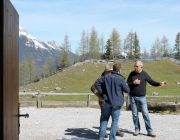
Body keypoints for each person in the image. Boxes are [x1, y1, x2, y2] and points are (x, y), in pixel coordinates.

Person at [127, 60, 167, 137]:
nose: (135, 67)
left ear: (141, 67)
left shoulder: (144, 74)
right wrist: (133, 83)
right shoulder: (132, 74)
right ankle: (137, 129)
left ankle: (149, 131)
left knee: (145, 114)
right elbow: (127, 84)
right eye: (134, 66)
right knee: (135, 114)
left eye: (137, 66)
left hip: (142, 97)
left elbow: (151, 81)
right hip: (132, 97)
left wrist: (159, 83)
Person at [95, 63, 130, 140]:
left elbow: (97, 84)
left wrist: (103, 94)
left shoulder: (106, 77)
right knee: (115, 121)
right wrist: (126, 85)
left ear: (113, 69)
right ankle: (112, 138)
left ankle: (101, 137)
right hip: (117, 102)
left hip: (107, 101)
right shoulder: (121, 79)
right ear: (119, 70)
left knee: (104, 119)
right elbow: (127, 90)